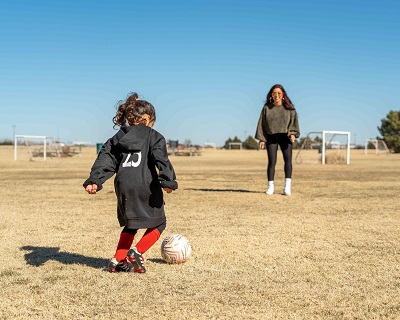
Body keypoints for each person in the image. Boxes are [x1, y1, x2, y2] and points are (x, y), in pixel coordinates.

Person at [83, 92, 178, 273]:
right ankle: (137, 252)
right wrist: (168, 181)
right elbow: (162, 159)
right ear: (147, 118)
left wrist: (95, 179)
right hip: (146, 185)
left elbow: (106, 158)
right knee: (159, 223)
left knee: (131, 224)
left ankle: (117, 261)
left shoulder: (117, 138)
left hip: (124, 186)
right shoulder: (154, 136)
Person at [255, 84, 300, 195]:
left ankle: (287, 187)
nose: (277, 95)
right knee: (272, 162)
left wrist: (293, 134)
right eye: (274, 93)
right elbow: (262, 123)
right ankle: (271, 187)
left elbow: (294, 124)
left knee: (288, 161)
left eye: (279, 93)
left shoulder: (290, 108)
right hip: (271, 137)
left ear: (283, 94)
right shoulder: (267, 108)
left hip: (286, 137)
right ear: (271, 95)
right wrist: (261, 139)